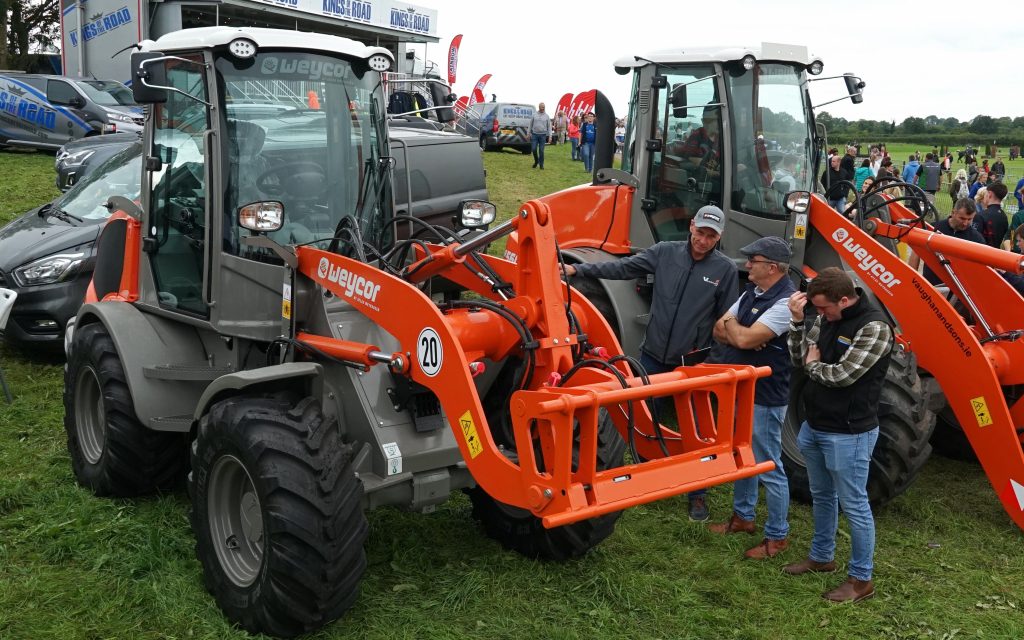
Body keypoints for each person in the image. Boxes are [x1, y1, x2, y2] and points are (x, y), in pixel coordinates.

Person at [562, 206, 738, 522]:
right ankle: (647, 476)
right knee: (642, 420)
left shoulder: (724, 270)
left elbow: (727, 319)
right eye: (700, 232)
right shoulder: (665, 253)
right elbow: (624, 268)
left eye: (711, 236)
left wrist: (713, 362)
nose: (703, 240)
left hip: (691, 365)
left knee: (696, 431)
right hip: (653, 358)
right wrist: (581, 271)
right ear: (692, 227)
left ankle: (697, 494)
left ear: (719, 237)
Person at [784, 268, 894, 604]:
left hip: (849, 432)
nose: (823, 316)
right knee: (822, 495)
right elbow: (798, 358)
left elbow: (843, 375)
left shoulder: (875, 328)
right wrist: (797, 323)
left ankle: (861, 579)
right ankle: (822, 557)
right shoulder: (825, 318)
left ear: (844, 300)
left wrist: (814, 365)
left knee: (855, 504)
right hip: (815, 426)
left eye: (827, 309)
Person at [707, 237, 795, 559]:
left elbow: (741, 339)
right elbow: (720, 329)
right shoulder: (752, 293)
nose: (746, 265)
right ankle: (743, 518)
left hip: (765, 397)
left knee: (767, 463)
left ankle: (777, 536)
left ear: (771, 267)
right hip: (744, 392)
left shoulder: (786, 302)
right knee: (743, 457)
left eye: (752, 260)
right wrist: (740, 330)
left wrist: (741, 332)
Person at [908, 198, 986, 283]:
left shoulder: (976, 239)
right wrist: (911, 279)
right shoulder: (934, 228)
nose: (965, 223)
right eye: (962, 218)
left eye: (969, 219)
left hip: (958, 290)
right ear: (953, 213)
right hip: (930, 286)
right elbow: (916, 253)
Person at [973, 182, 1008, 249]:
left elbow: (974, 238)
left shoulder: (981, 215)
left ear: (989, 194)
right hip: (996, 253)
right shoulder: (1004, 216)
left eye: (985, 193)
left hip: (981, 253)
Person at [529, 102, 552, 169]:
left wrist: (550, 136)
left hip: (543, 135)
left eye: (544, 107)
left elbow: (549, 127)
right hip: (534, 135)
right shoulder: (534, 115)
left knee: (541, 151)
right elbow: (530, 124)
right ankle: (536, 161)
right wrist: (528, 133)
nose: (543, 108)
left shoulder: (547, 116)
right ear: (539, 107)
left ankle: (541, 164)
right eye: (542, 107)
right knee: (533, 149)